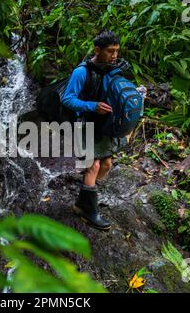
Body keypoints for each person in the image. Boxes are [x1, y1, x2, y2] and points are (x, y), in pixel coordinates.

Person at [62, 30, 146, 231]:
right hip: (85, 124)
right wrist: (92, 106)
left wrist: (137, 93)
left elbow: (116, 91)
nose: (115, 55)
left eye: (117, 51)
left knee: (107, 164)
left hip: (106, 125)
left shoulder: (113, 68)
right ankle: (88, 209)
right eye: (110, 51)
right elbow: (67, 99)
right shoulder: (81, 72)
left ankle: (86, 195)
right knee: (95, 165)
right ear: (97, 50)